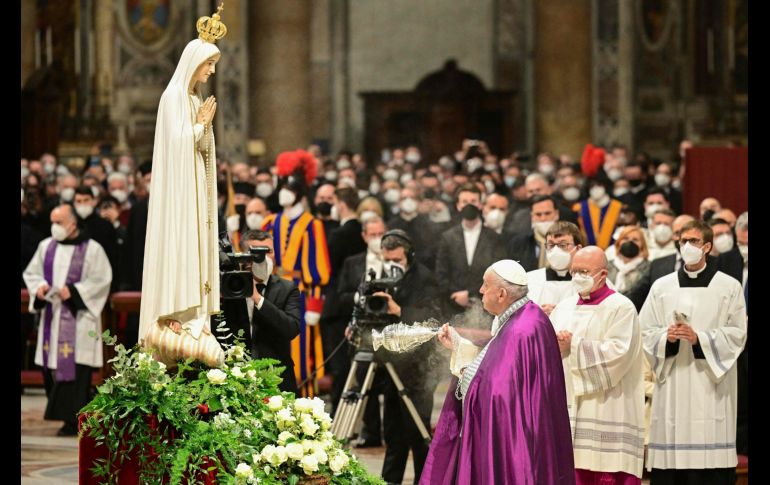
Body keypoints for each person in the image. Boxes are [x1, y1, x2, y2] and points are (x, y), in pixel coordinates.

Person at [421, 260, 575, 484]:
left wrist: (463, 368)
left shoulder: (522, 329)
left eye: (485, 285)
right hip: (522, 430)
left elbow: (496, 392)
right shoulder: (523, 316)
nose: (481, 290)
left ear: (502, 294)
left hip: (518, 437)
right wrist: (459, 346)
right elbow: (495, 363)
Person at [138, 6, 226, 361]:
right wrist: (201, 125)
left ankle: (196, 320)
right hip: (180, 194)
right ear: (194, 63)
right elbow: (176, 146)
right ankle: (176, 315)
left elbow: (200, 147)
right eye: (209, 64)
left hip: (195, 190)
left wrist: (204, 129)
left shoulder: (193, 98)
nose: (212, 70)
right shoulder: (173, 97)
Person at [639, 220, 746, 484]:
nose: (687, 246)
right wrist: (667, 338)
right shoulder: (662, 286)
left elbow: (737, 334)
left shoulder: (728, 287)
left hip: (710, 385)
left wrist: (700, 339)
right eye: (683, 241)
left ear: (707, 246)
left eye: (694, 241)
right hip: (673, 381)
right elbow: (645, 330)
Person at [550, 246, 645, 484]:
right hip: (569, 402)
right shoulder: (563, 307)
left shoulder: (621, 307)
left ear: (603, 274)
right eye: (574, 271)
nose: (577, 277)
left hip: (608, 406)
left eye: (584, 271)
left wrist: (574, 346)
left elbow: (619, 353)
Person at [23, 204, 112, 436]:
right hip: (52, 319)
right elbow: (31, 274)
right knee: (50, 370)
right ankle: (67, 418)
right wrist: (40, 288)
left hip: (78, 321)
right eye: (52, 222)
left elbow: (102, 279)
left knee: (75, 373)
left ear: (73, 224)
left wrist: (73, 291)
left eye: (59, 222)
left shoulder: (92, 250)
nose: (54, 227)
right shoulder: (46, 246)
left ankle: (73, 421)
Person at [261, 149, 332, 397]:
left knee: (302, 355)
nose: (284, 192)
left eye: (288, 188)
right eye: (282, 187)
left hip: (299, 294)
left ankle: (305, 402)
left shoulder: (312, 225)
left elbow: (318, 270)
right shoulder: (270, 222)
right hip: (271, 290)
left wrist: (315, 305)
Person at [220, 230, 301, 393]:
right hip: (235, 376)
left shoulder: (287, 288)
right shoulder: (228, 286)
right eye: (255, 253)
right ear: (243, 256)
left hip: (277, 378)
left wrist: (257, 298)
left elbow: (291, 329)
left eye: (268, 251)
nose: (263, 258)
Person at [526, 221, 584, 315]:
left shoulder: (589, 281)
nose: (555, 250)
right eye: (551, 245)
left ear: (578, 249)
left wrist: (560, 313)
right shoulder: (530, 280)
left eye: (563, 245)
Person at [607, 226, 651, 297]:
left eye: (635, 240)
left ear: (642, 245)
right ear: (619, 242)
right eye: (625, 238)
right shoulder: (607, 266)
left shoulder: (649, 268)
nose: (630, 242)